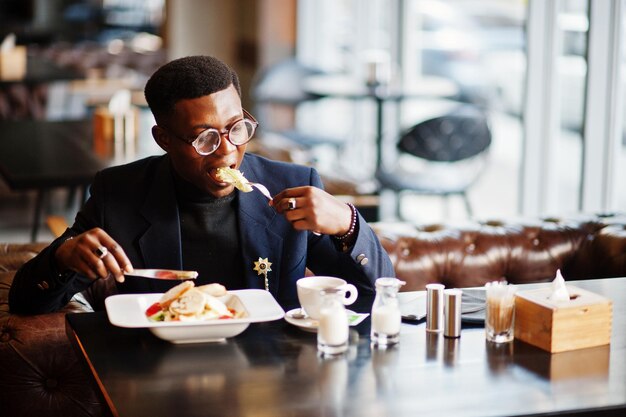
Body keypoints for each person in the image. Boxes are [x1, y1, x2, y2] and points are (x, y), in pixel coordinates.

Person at [9, 55, 394, 315]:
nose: (227, 151)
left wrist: (348, 223)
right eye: (205, 138)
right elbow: (26, 303)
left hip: (273, 374)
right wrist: (63, 258)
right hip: (157, 378)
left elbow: (377, 296)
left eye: (235, 128)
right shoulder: (119, 195)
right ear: (163, 139)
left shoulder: (292, 185)